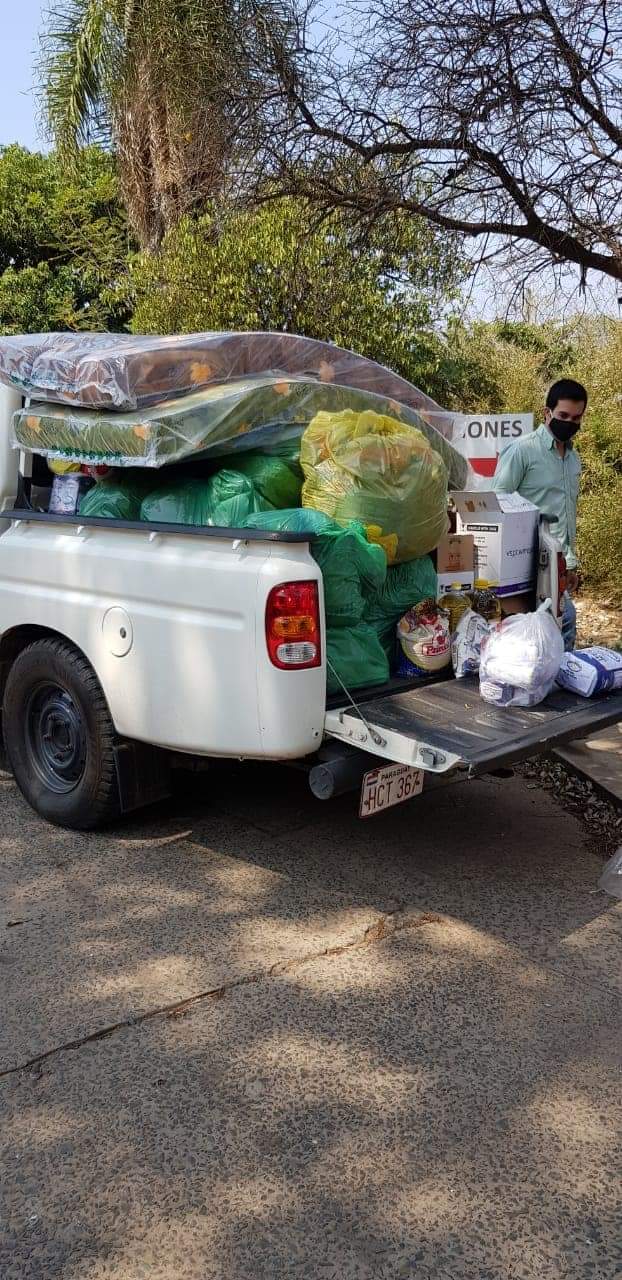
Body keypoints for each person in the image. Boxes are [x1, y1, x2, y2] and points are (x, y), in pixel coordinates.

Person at [492, 378, 586, 650]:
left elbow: (566, 515)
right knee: (558, 624)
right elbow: (497, 504)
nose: (570, 423)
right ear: (547, 413)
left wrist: (569, 563)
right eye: (563, 416)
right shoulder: (522, 451)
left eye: (576, 418)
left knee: (558, 630)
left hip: (558, 563)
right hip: (527, 563)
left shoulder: (573, 459)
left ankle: (558, 684)